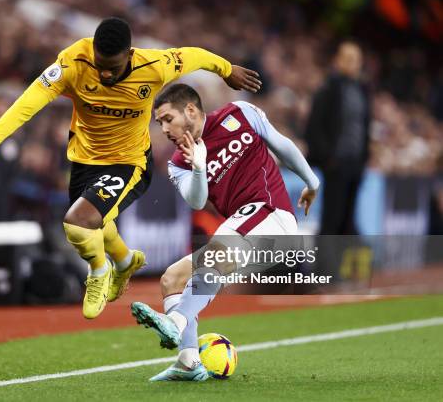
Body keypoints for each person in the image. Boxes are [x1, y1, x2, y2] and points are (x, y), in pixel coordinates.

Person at [0, 17, 262, 319]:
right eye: (100, 64)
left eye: (113, 68)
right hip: (84, 159)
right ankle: (125, 260)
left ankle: (99, 271)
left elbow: (194, 55)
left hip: (129, 163)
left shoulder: (154, 66)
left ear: (129, 55)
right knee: (95, 224)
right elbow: (29, 102)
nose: (104, 73)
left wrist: (227, 69)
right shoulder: (73, 62)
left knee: (77, 222)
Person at [130, 84, 319, 381]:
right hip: (244, 232)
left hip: (272, 216)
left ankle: (176, 321)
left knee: (219, 249)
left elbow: (280, 144)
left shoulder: (240, 113)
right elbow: (196, 200)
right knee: (171, 279)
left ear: (190, 110)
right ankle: (188, 361)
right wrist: (198, 167)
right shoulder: (178, 163)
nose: (164, 128)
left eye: (168, 119)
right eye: (160, 123)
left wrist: (311, 181)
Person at [305, 41, 370, 235]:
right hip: (335, 163)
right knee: (331, 219)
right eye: (348, 58)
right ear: (338, 60)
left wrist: (363, 158)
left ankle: (342, 264)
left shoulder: (362, 89)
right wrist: (328, 158)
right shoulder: (328, 88)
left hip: (355, 164)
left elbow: (364, 126)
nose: (353, 63)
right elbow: (314, 126)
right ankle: (325, 264)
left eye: (356, 59)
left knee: (348, 220)